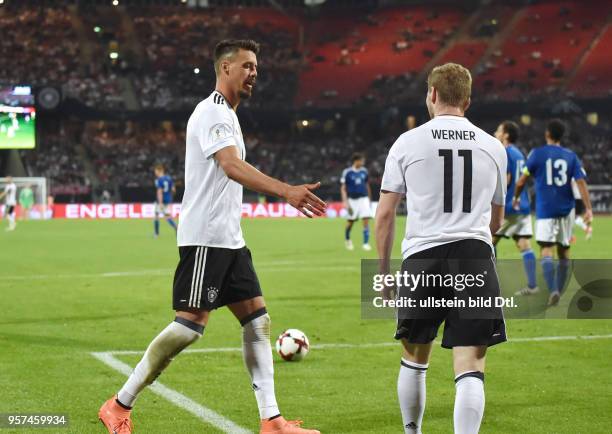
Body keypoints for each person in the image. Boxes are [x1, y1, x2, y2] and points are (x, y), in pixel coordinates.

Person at [98, 39, 324, 434]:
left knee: (258, 322)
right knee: (189, 326)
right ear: (225, 68)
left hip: (229, 239)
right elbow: (232, 166)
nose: (254, 73)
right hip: (206, 238)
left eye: (256, 66)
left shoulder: (228, 116)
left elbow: (233, 167)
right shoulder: (213, 112)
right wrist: (286, 190)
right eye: (247, 66)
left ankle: (271, 420)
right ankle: (119, 404)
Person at [375, 63, 507, 434]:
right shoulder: (494, 147)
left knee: (415, 359)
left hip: (423, 257)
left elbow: (385, 215)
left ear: (431, 94)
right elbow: (497, 222)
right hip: (475, 255)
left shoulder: (407, 142)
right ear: (467, 99)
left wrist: (384, 273)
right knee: (470, 367)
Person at [513, 119, 592, 306]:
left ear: (547, 134)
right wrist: (588, 208)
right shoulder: (571, 156)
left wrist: (516, 197)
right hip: (566, 211)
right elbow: (581, 183)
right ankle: (559, 289)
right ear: (561, 136)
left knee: (546, 249)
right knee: (564, 251)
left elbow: (521, 181)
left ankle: (553, 290)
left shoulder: (536, 154)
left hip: (545, 210)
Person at [492, 121, 538, 295]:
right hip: (522, 206)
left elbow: (507, 179)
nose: (496, 132)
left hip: (507, 206)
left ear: (506, 135)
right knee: (524, 244)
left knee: (487, 242)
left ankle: (490, 286)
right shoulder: (519, 153)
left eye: (499, 130)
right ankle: (533, 286)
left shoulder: (504, 152)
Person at [340, 152, 373, 251]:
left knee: (366, 220)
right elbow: (343, 188)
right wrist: (345, 202)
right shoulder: (347, 172)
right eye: (362, 160)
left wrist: (369, 199)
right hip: (352, 201)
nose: (363, 162)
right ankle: (347, 240)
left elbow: (367, 185)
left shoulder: (364, 171)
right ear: (356, 161)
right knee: (350, 222)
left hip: (363, 199)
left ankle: (366, 243)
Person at [153, 164, 177, 237]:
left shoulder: (159, 180)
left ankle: (156, 234)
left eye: (156, 171)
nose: (155, 173)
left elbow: (159, 192)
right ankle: (176, 227)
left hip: (161, 201)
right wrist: (170, 197)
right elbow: (173, 190)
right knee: (167, 216)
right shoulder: (169, 178)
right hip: (168, 199)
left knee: (157, 216)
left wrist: (160, 203)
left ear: (160, 171)